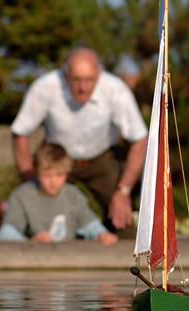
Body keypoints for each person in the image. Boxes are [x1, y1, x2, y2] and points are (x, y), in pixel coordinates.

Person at [11, 47, 147, 235]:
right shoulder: (45, 87)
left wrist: (123, 191)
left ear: (99, 76)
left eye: (89, 80)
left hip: (102, 159)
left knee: (122, 224)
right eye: (76, 80)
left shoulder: (115, 90)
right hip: (56, 159)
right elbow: (20, 132)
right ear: (65, 75)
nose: (82, 87)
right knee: (42, 224)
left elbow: (139, 138)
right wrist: (30, 180)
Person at [0, 142, 118, 246]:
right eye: (47, 175)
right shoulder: (22, 195)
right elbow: (6, 233)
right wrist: (30, 242)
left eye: (59, 175)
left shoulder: (72, 194)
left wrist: (102, 235)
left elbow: (90, 224)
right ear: (37, 172)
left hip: (67, 258)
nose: (53, 181)